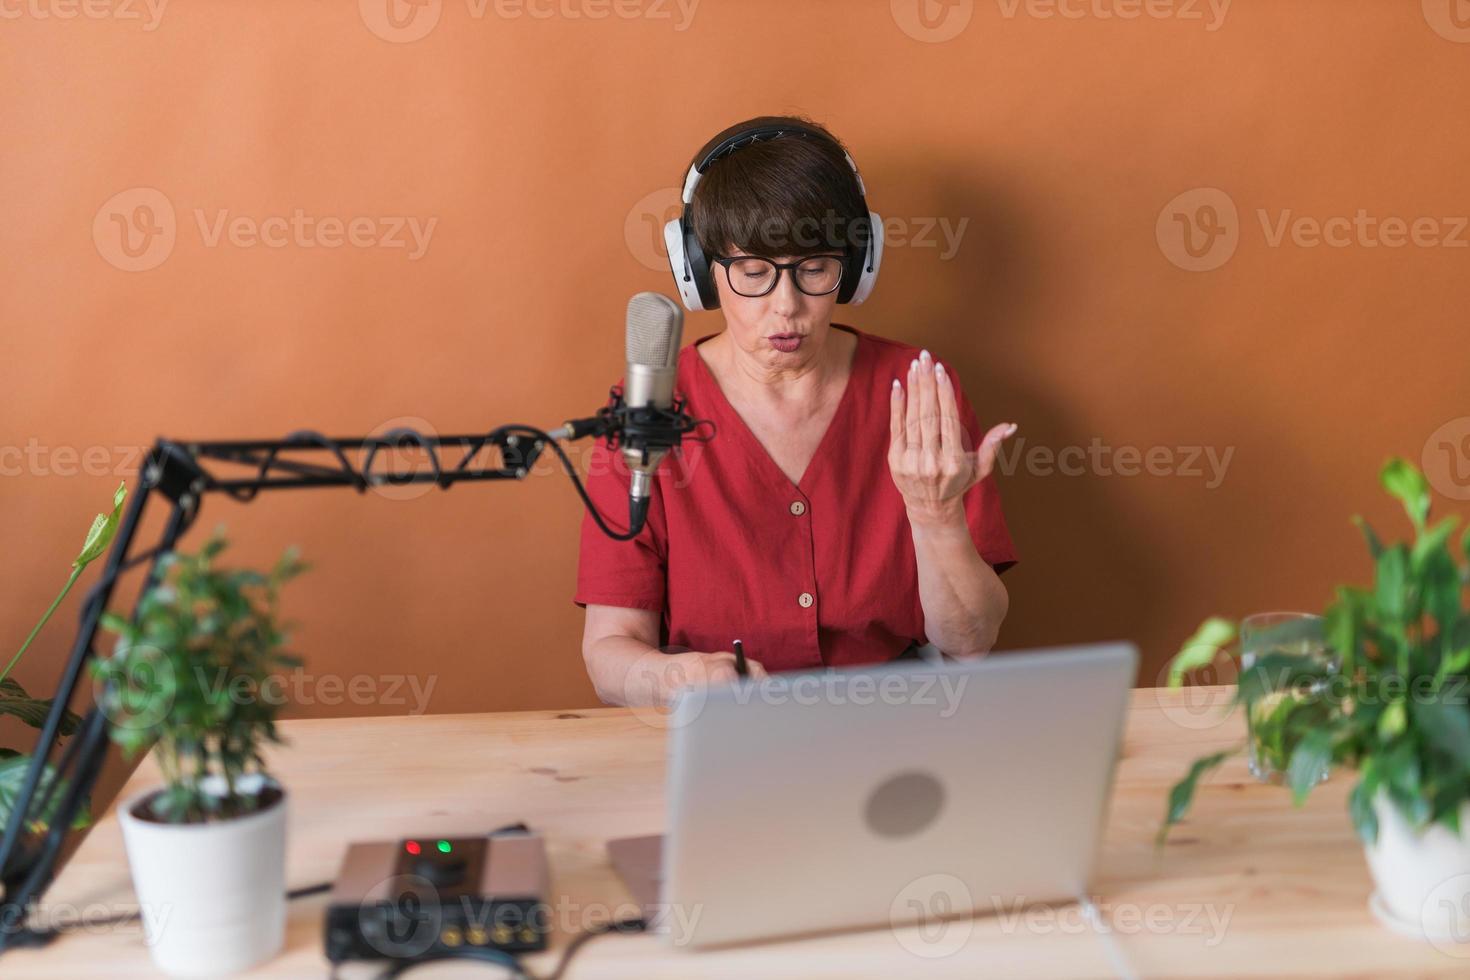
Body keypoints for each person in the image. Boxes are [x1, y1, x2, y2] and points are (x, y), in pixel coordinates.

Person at [574, 115, 1018, 708]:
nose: (787, 308)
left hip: (893, 718)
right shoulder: (646, 410)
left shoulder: (918, 389)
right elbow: (610, 653)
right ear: (701, 273)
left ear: (856, 266)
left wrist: (935, 515)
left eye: (814, 270)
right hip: (718, 723)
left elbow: (970, 644)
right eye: (754, 272)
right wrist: (675, 679)